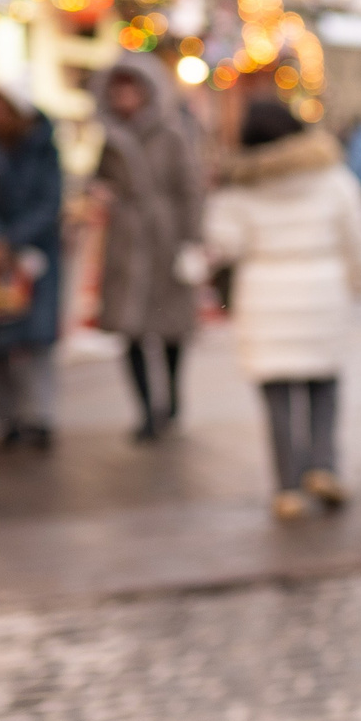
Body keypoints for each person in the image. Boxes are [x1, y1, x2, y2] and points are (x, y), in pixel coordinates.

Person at [204, 97, 361, 522]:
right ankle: (323, 464)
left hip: (265, 295)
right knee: (323, 387)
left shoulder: (240, 186)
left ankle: (287, 487)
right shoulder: (331, 177)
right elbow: (357, 235)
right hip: (322, 290)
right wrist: (359, 282)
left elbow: (223, 243)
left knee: (278, 397)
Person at [93, 54, 205, 441]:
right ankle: (147, 411)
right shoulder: (109, 137)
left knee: (170, 329)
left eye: (131, 89)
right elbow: (101, 178)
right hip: (127, 242)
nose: (124, 97)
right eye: (118, 89)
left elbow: (189, 188)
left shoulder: (171, 134)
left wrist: (192, 241)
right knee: (131, 330)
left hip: (166, 239)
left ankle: (171, 400)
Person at [0, 86, 65, 450]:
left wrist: (14, 239)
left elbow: (49, 201)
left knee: (36, 341)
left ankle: (40, 415)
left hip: (35, 254)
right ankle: (5, 417)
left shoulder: (42, 148)